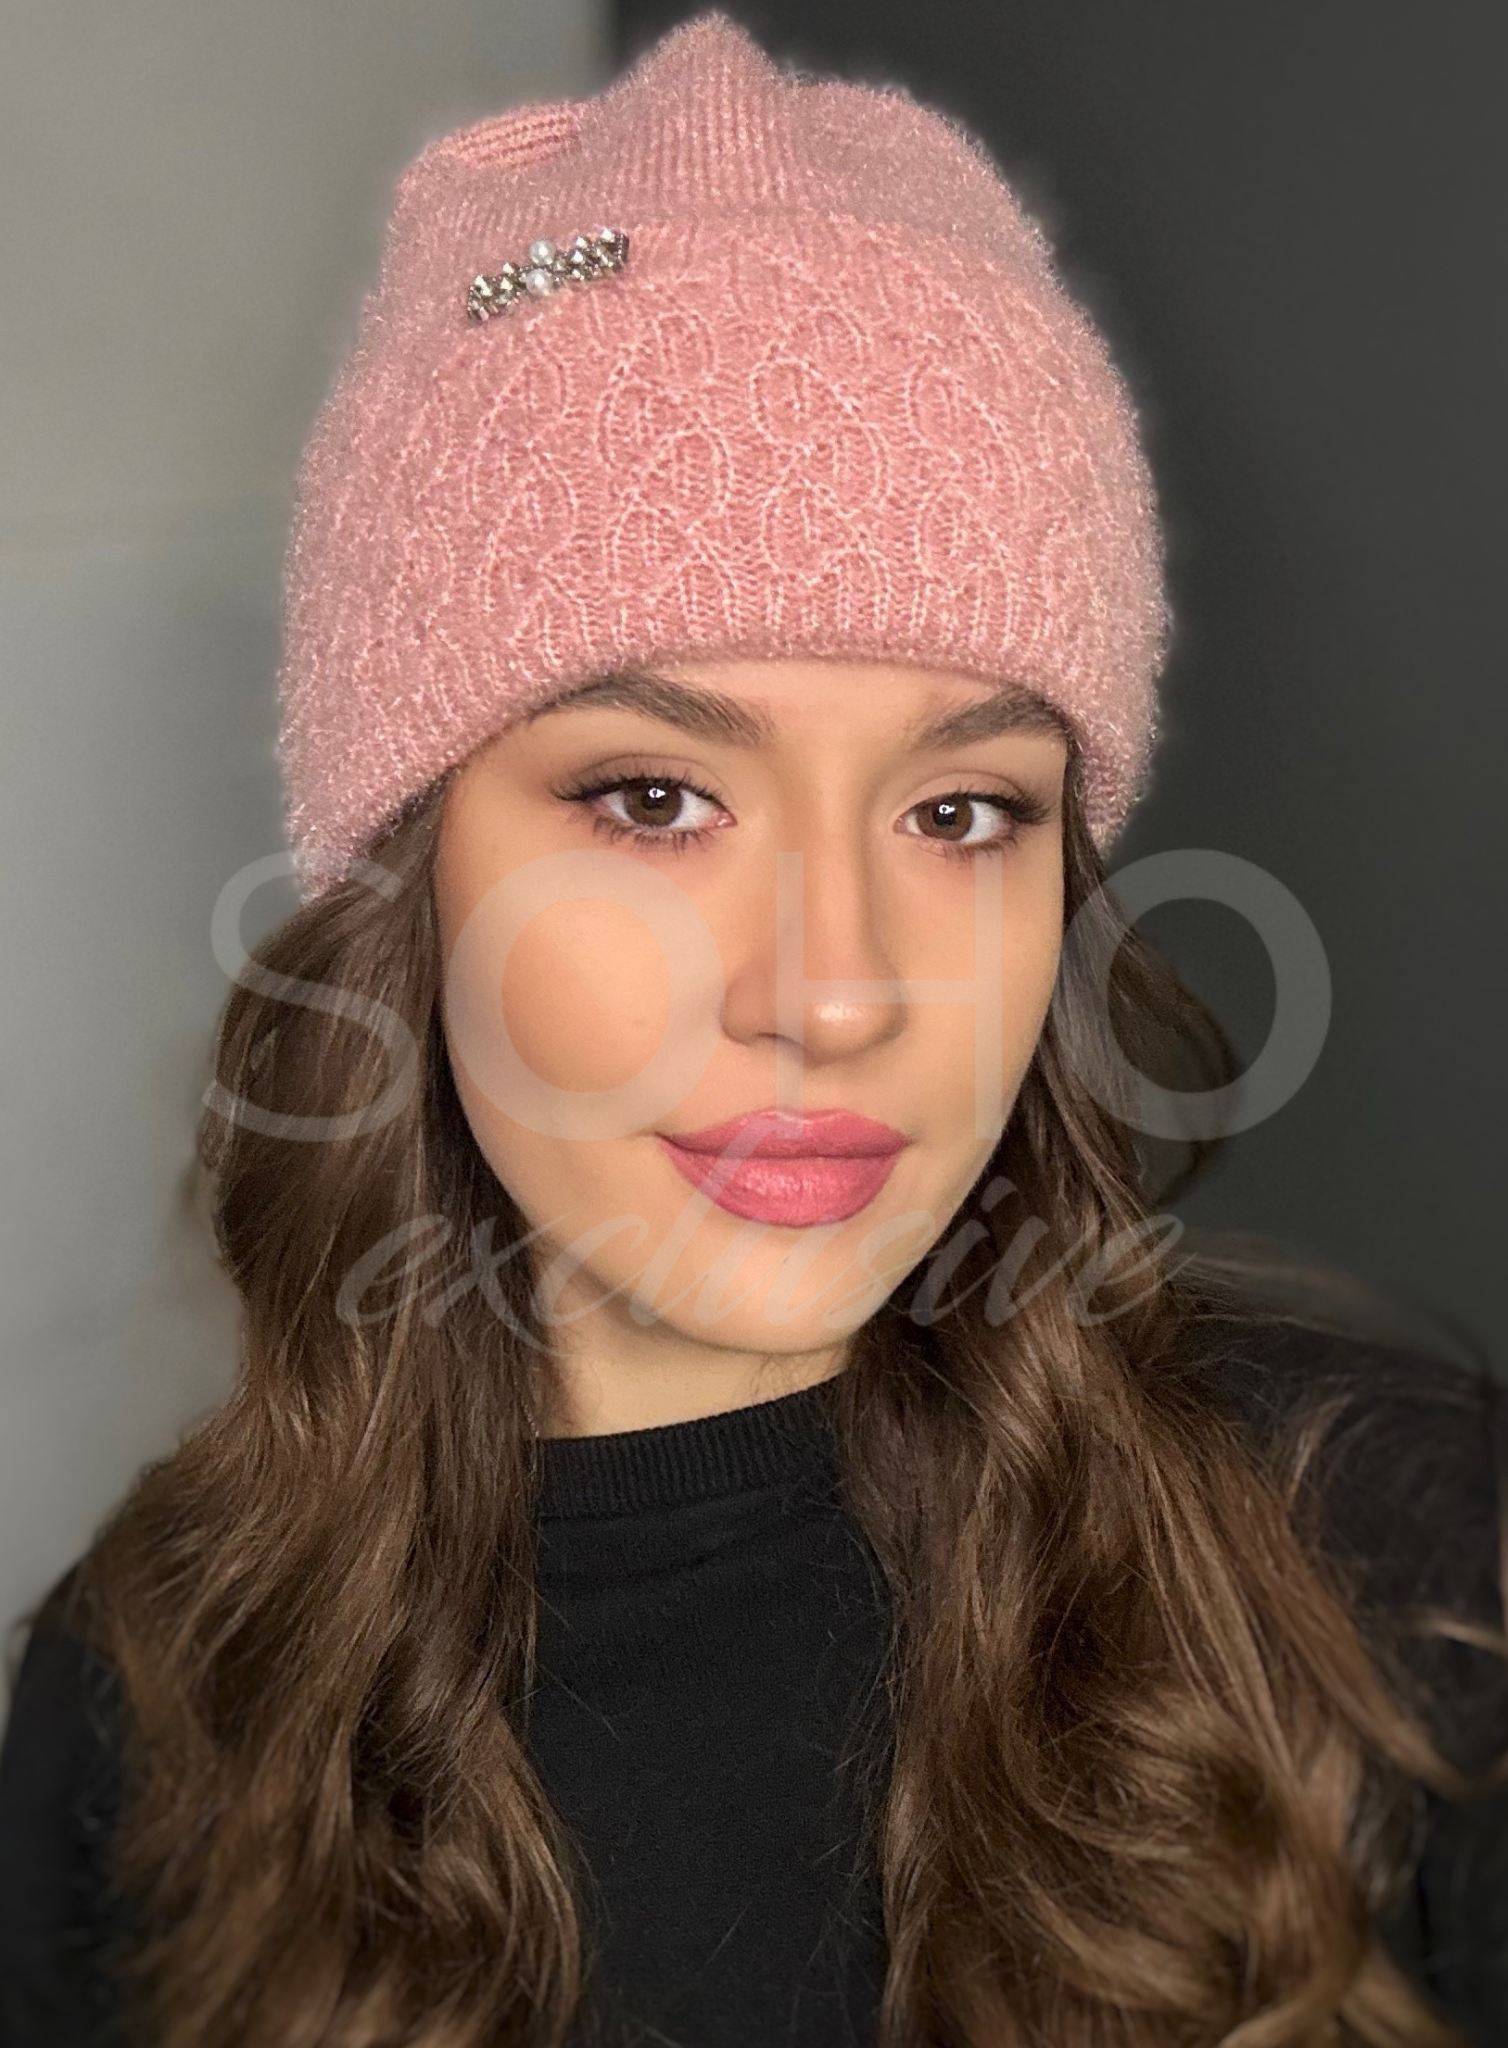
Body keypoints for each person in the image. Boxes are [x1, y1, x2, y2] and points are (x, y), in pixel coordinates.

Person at [1, 13, 1504, 2048]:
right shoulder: (153, 1684)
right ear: (407, 871)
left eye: (960, 812)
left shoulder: (1407, 1577)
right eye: (653, 799)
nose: (835, 990)